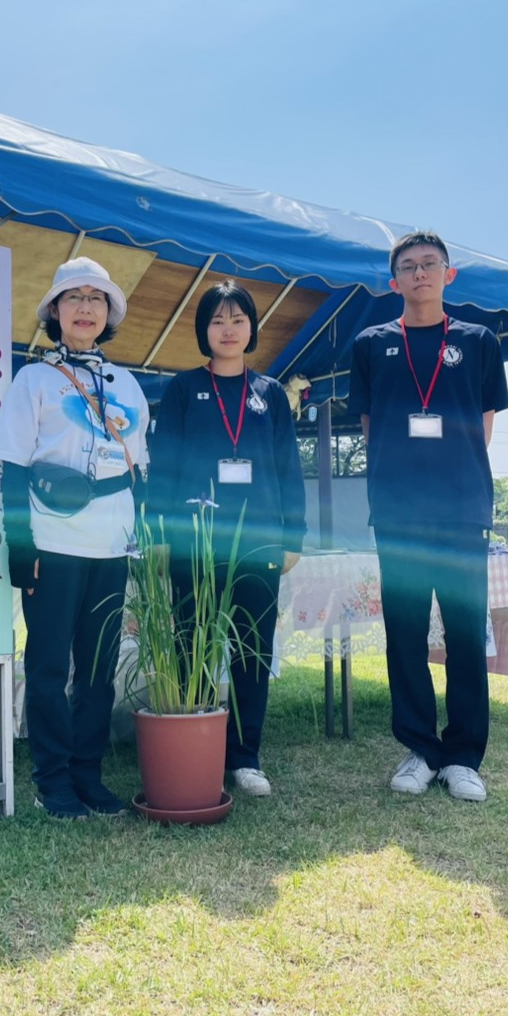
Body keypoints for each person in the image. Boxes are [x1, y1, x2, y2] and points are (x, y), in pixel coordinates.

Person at [348, 231, 508, 802]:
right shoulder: (371, 343)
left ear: (449, 274)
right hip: (397, 511)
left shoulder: (479, 341)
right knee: (406, 633)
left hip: (462, 510)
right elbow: (370, 427)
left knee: (466, 633)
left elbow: (484, 422)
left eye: (429, 264)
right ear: (393, 281)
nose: (420, 273)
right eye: (408, 267)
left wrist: (451, 473)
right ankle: (419, 748)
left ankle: (464, 755)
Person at [0, 257, 150, 818]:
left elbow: (138, 472)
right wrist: (19, 542)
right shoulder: (32, 379)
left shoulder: (127, 384)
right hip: (52, 542)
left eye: (96, 298)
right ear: (54, 311)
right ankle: (52, 778)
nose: (85, 307)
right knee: (51, 667)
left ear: (108, 314)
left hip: (112, 545)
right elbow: (10, 466)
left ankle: (89, 772)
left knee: (99, 669)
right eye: (74, 297)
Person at [148, 280, 306, 797]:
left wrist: (293, 535)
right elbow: (163, 468)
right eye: (218, 320)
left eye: (238, 319)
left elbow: (288, 469)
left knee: (251, 651)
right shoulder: (181, 389)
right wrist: (160, 532)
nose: (229, 329)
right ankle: (193, 741)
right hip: (193, 545)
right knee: (191, 641)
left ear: (251, 328)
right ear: (204, 330)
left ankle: (245, 756)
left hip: (258, 541)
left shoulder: (270, 395)